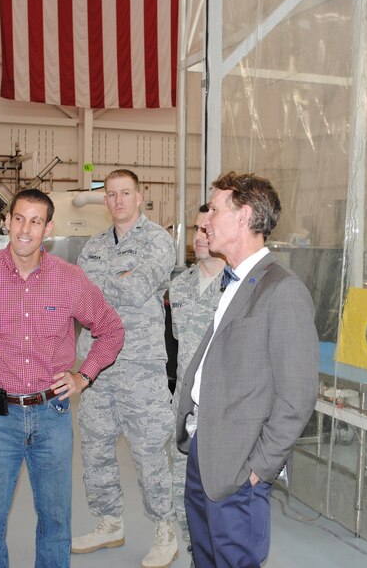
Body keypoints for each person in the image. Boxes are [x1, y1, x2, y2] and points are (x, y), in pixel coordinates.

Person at [0, 188, 124, 568]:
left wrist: (83, 376)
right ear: (7, 222)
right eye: (19, 219)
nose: (25, 229)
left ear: (48, 228)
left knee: (56, 522)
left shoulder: (70, 279)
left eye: (35, 221)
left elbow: (111, 328)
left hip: (53, 416)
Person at [175, 172, 319, 568]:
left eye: (215, 210)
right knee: (204, 557)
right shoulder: (236, 281)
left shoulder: (282, 289)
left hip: (240, 465)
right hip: (205, 447)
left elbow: (298, 394)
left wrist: (259, 469)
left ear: (244, 216)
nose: (205, 221)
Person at [72, 169, 178, 568]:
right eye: (111, 194)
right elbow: (80, 300)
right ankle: (109, 522)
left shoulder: (158, 240)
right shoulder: (94, 245)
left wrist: (98, 284)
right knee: (96, 445)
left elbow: (137, 289)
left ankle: (164, 531)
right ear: (106, 201)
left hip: (140, 362)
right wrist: (114, 280)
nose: (118, 200)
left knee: (149, 449)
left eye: (125, 193)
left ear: (140, 196)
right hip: (96, 363)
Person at [166, 204, 225, 555]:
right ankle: (194, 552)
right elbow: (179, 343)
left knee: (220, 495)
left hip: (222, 411)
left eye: (207, 229)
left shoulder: (238, 287)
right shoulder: (180, 286)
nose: (199, 236)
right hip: (185, 410)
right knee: (181, 492)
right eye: (196, 229)